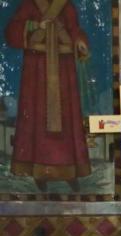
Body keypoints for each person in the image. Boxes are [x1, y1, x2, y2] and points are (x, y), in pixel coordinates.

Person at [4, 0, 91, 191]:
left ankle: (69, 172)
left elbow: (75, 30)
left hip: (63, 71)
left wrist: (80, 42)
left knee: (66, 120)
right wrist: (35, 25)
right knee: (37, 118)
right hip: (37, 72)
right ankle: (37, 171)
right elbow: (12, 31)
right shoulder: (29, 5)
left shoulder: (66, 6)